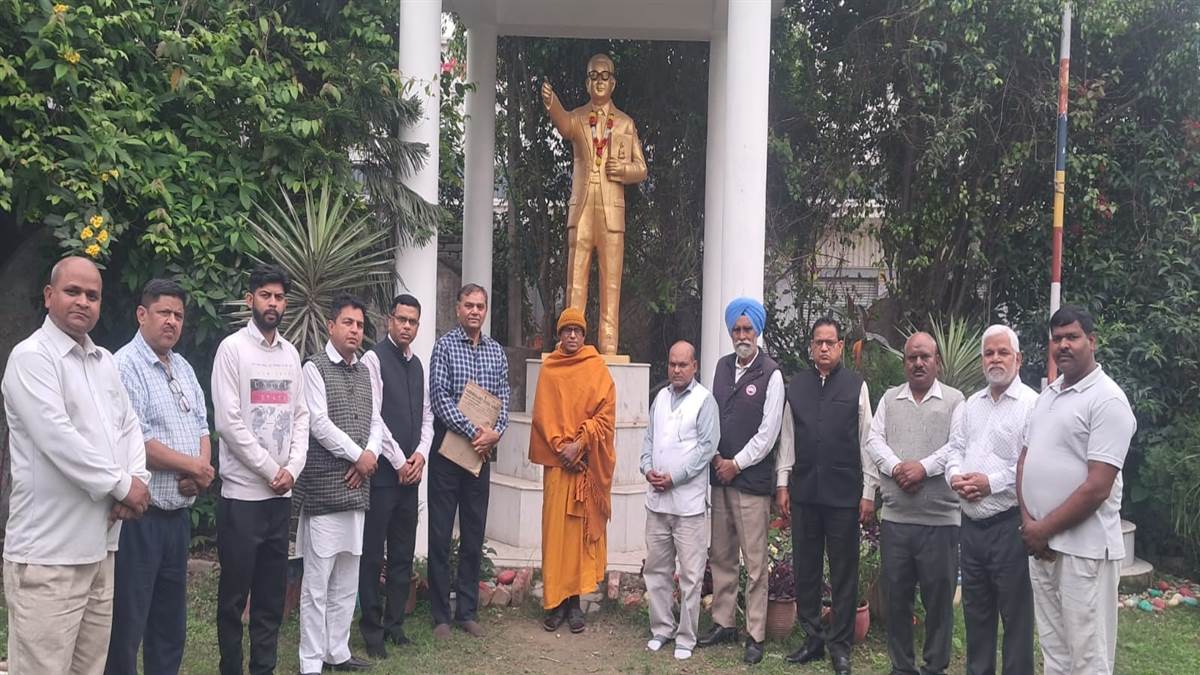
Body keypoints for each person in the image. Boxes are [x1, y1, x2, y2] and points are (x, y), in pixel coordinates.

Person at [1, 256, 151, 674]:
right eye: (73, 291)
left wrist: (136, 480)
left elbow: (129, 426)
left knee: (89, 669)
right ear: (49, 296)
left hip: (100, 549)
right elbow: (59, 440)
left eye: (92, 295)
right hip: (49, 556)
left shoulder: (104, 361)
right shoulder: (31, 358)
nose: (83, 301)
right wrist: (123, 486)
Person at [1018, 306, 1136, 675]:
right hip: (1042, 547)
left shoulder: (1107, 400)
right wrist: (1029, 524)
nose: (1063, 345)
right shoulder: (1049, 394)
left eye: (1072, 337)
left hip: (1084, 552)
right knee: (1055, 653)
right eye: (1057, 339)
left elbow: (1097, 487)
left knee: (1088, 658)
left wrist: (1043, 528)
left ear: (1092, 341)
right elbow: (1025, 460)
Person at [108, 279, 213, 675]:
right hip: (139, 519)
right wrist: (193, 467)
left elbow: (202, 426)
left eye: (178, 315)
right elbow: (136, 440)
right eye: (163, 312)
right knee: (128, 621)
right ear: (142, 314)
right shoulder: (124, 366)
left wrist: (200, 472)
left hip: (176, 518)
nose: (172, 321)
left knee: (170, 625)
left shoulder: (182, 367)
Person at [213, 263, 310, 675]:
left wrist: (293, 468)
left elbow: (301, 416)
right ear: (250, 299)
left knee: (270, 598)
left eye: (279, 298)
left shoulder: (290, 354)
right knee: (234, 598)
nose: (273, 304)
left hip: (279, 498)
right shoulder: (232, 350)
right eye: (266, 296)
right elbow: (228, 422)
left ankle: (263, 669)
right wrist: (272, 469)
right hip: (242, 498)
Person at [776, 317, 878, 675]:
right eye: (818, 342)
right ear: (811, 347)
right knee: (806, 569)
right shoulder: (797, 386)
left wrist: (868, 492)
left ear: (840, 347)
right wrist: (782, 483)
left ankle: (840, 646)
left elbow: (868, 441)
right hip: (805, 493)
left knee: (844, 571)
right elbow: (788, 437)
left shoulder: (856, 386)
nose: (823, 348)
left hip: (843, 494)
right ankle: (813, 638)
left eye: (830, 342)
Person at [866, 332, 965, 675]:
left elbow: (959, 444)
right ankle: (902, 667)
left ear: (937, 361)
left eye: (925, 357)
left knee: (939, 602)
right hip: (897, 520)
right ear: (904, 362)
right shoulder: (889, 399)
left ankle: (935, 666)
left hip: (940, 521)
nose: (918, 363)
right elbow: (873, 439)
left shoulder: (955, 401)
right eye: (912, 358)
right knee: (897, 600)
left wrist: (923, 468)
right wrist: (897, 468)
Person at [295, 294, 382, 674]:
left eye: (360, 325)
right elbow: (318, 423)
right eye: (348, 323)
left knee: (348, 578)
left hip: (357, 489)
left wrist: (370, 456)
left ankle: (337, 651)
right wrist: (358, 456)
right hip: (324, 490)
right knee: (317, 582)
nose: (355, 330)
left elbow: (376, 420)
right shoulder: (313, 368)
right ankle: (311, 661)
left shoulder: (364, 371)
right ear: (331, 326)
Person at [944, 325, 1037, 675]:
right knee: (976, 616)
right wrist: (956, 477)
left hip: (1009, 526)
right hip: (971, 528)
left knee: (1016, 618)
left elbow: (1033, 466)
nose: (995, 359)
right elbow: (955, 449)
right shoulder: (971, 405)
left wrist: (990, 484)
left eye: (1003, 352)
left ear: (1018, 359)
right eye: (989, 353)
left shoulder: (1032, 405)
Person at [541, 53, 648, 354]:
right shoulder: (577, 117)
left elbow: (641, 168)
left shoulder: (625, 123)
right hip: (583, 209)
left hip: (612, 213)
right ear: (587, 83)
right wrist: (552, 103)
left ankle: (609, 346)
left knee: (611, 282)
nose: (599, 81)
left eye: (605, 76)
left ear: (613, 83)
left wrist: (623, 170)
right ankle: (571, 341)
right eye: (593, 76)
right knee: (576, 279)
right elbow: (564, 125)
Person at [697, 297, 784, 665]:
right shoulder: (720, 367)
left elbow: (768, 433)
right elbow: (710, 416)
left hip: (751, 483)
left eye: (748, 329)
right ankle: (723, 622)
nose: (742, 335)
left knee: (755, 562)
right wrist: (717, 458)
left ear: (758, 331)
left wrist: (737, 463)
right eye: (737, 329)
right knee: (722, 554)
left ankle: (756, 633)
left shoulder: (771, 373)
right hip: (720, 477)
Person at [427, 283, 511, 639]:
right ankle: (440, 616)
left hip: (480, 455)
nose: (475, 311)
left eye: (480, 306)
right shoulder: (444, 346)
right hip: (448, 454)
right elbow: (439, 398)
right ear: (458, 309)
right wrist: (475, 430)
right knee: (440, 533)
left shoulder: (496, 351)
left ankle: (467, 611)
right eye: (469, 305)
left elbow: (504, 397)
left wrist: (496, 433)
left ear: (485, 310)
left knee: (474, 533)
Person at [529, 307, 617, 634]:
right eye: (566, 330)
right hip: (558, 467)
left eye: (577, 331)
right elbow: (543, 416)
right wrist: (561, 448)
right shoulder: (550, 369)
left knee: (579, 539)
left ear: (584, 334)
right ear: (559, 334)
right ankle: (556, 603)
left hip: (584, 466)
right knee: (556, 536)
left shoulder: (596, 367)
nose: (572, 336)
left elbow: (606, 414)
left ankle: (576, 603)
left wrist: (579, 444)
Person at [359, 294, 434, 658]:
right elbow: (374, 416)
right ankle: (372, 631)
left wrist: (420, 455)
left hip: (411, 476)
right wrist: (399, 460)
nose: (406, 326)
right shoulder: (373, 359)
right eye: (401, 319)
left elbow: (427, 415)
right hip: (383, 477)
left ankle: (395, 625)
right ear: (389, 320)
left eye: (412, 321)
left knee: (403, 554)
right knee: (373, 555)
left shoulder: (417, 365)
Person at [641, 341, 720, 661]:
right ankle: (662, 628)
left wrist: (674, 477)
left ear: (694, 366)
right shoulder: (660, 398)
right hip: (657, 503)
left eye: (683, 364)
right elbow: (649, 439)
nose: (676, 370)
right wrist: (646, 468)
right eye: (672, 364)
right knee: (656, 570)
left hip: (688, 506)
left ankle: (686, 637)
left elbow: (707, 449)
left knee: (690, 575)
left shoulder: (705, 401)